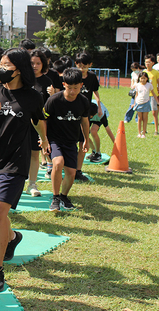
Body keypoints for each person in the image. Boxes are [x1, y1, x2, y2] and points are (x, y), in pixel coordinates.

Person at [0, 47, 48, 293]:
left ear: (20, 69)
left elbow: (38, 119)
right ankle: (13, 237)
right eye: (0, 65)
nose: (1, 70)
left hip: (15, 162)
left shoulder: (32, 96)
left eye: (7, 66)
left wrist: (45, 140)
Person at [44, 67, 90, 211]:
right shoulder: (54, 100)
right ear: (64, 84)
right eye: (69, 87)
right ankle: (55, 197)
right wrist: (43, 139)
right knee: (58, 162)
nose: (72, 91)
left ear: (81, 86)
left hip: (71, 141)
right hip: (54, 140)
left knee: (71, 173)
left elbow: (84, 121)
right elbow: (42, 120)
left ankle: (64, 196)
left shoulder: (83, 101)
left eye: (75, 88)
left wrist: (86, 140)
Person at [26, 48, 52, 197]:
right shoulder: (23, 78)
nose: (35, 66)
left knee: (34, 154)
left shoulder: (47, 81)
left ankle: (32, 184)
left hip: (37, 122)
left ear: (43, 64)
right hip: (21, 120)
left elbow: (48, 105)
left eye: (38, 63)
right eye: (32, 63)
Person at [74, 51, 102, 182]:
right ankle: (68, 166)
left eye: (85, 65)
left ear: (90, 65)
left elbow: (95, 91)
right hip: (72, 112)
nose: (82, 68)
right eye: (80, 65)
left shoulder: (91, 77)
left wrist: (99, 105)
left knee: (82, 140)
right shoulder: (73, 76)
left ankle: (78, 170)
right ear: (76, 64)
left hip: (85, 112)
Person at [144, 54, 159, 135]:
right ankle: (144, 129)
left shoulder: (156, 72)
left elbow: (158, 84)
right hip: (145, 95)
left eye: (149, 62)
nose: (147, 64)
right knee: (145, 113)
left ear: (153, 63)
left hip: (153, 95)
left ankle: (156, 130)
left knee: (154, 113)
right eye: (146, 62)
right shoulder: (143, 72)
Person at [134, 71, 153, 138]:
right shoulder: (137, 85)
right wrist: (134, 103)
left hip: (146, 103)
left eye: (144, 78)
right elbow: (136, 95)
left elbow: (153, 93)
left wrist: (158, 100)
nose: (142, 80)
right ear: (139, 78)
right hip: (139, 102)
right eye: (141, 78)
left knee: (145, 118)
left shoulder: (149, 85)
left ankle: (144, 132)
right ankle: (139, 133)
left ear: (147, 78)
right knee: (139, 118)